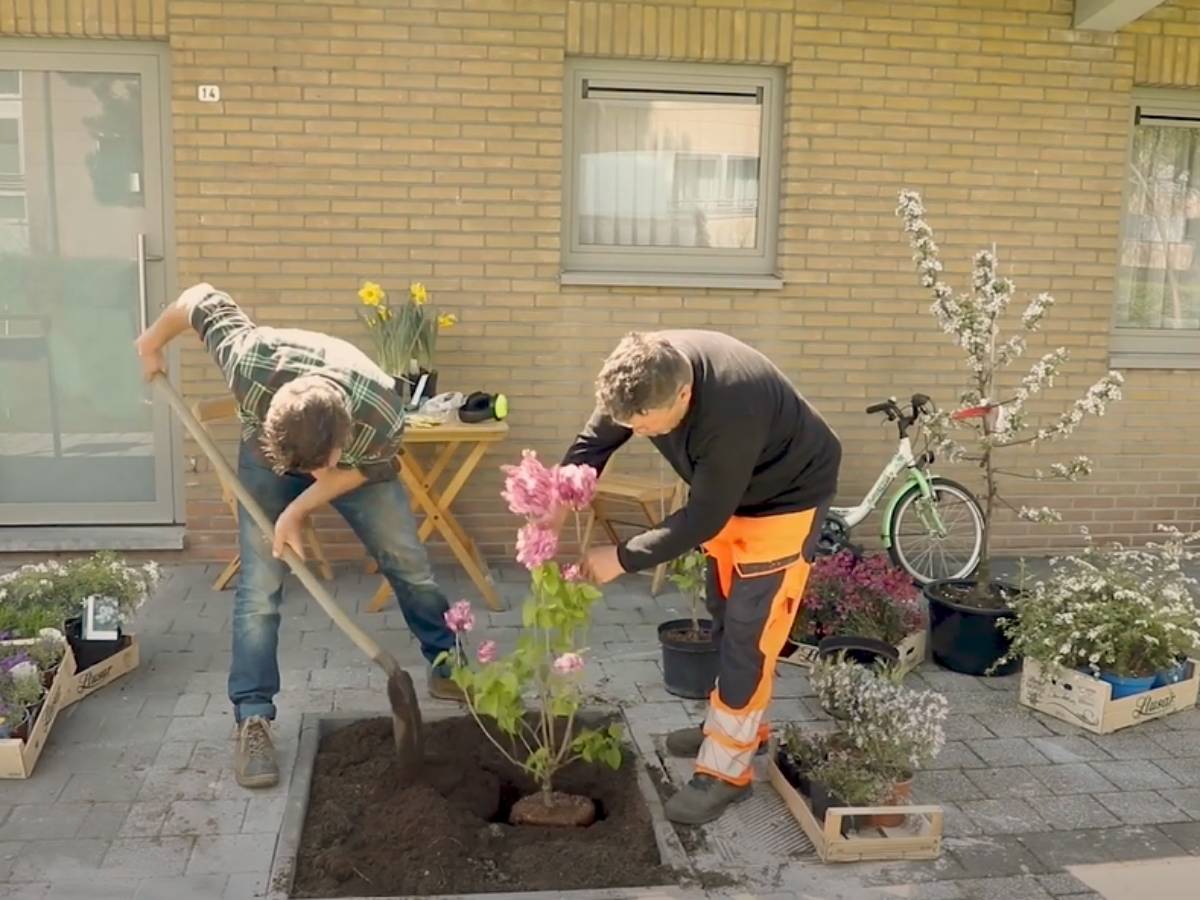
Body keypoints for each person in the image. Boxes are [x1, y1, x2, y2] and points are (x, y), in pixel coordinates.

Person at [135, 283, 462, 789]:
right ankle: (253, 717)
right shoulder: (248, 362)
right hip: (266, 457)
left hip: (357, 464)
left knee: (406, 558)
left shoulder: (380, 410)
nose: (311, 478)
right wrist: (153, 340)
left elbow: (357, 472)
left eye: (318, 469)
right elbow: (201, 298)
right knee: (260, 586)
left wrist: (298, 511)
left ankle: (446, 661)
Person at [560, 330, 841, 825]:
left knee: (748, 639)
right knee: (722, 617)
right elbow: (594, 443)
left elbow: (703, 517)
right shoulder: (637, 376)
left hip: (785, 502)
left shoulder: (733, 406)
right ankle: (731, 727)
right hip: (731, 493)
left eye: (646, 426)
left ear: (684, 396)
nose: (639, 433)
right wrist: (555, 501)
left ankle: (726, 773)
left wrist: (621, 558)